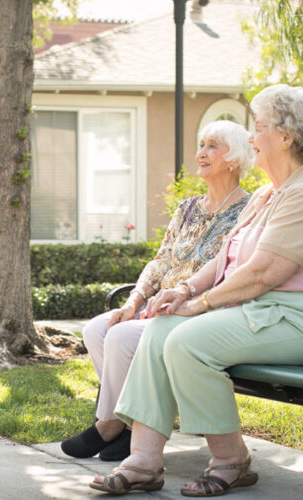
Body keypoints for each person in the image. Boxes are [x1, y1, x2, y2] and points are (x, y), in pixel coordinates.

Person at [88, 84, 303, 496]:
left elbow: (263, 273)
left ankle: (231, 459)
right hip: (263, 314)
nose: (250, 137)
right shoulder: (266, 194)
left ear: (285, 137)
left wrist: (201, 304)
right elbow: (226, 258)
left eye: (259, 127)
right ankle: (142, 461)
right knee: (162, 326)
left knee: (187, 340)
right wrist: (185, 291)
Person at [61, 120, 254, 462]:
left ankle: (109, 426)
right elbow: (160, 261)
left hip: (199, 313)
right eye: (201, 144)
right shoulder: (187, 209)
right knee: (97, 329)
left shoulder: (248, 212)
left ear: (234, 160)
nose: (201, 153)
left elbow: (232, 272)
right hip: (157, 305)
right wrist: (134, 300)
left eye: (212, 146)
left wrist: (179, 299)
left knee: (121, 338)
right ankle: (133, 423)